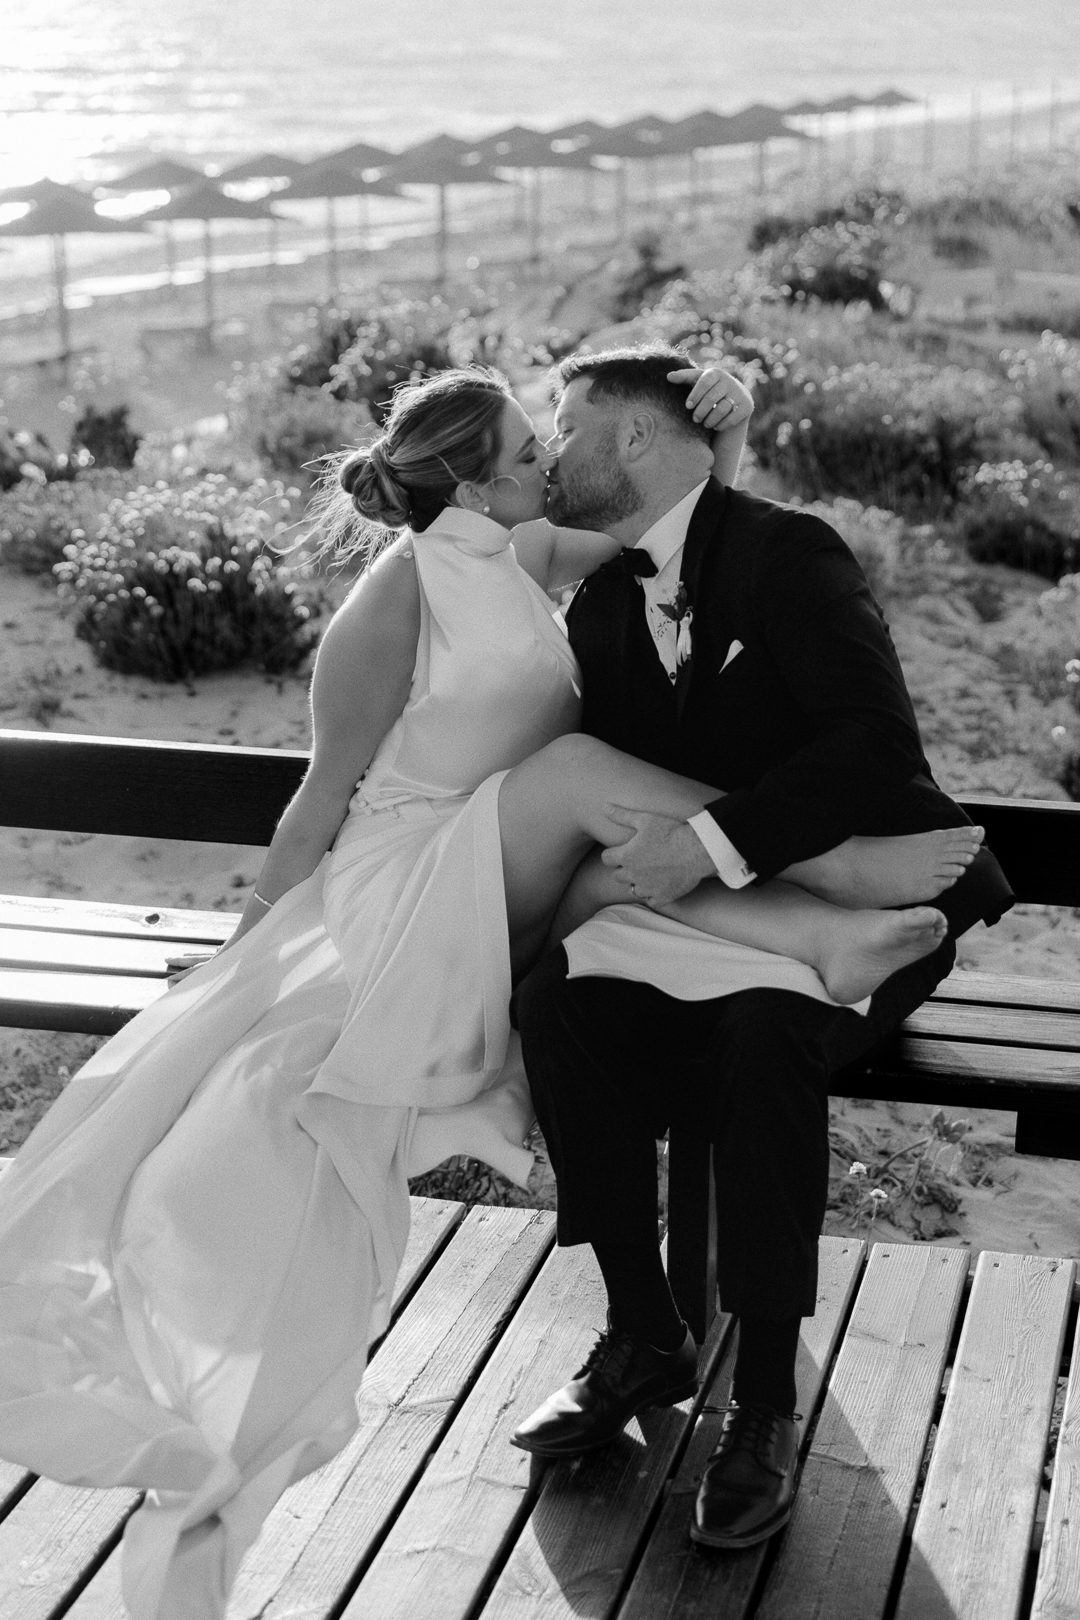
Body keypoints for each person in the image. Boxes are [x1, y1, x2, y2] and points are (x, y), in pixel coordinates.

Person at [0, 360, 986, 1619]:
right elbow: (320, 800)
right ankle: (813, 917)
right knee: (571, 866)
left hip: (532, 871)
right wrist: (251, 943)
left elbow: (680, 536)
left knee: (662, 947)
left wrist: (718, 447)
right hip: (415, 875)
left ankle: (737, 1379)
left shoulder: (526, 555)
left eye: (556, 433)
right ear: (472, 473)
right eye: (531, 441)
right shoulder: (394, 599)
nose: (546, 453)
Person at [509, 344, 1014, 1554]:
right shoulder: (602, 598)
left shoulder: (792, 553)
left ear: (631, 439)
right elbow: (639, 778)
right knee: (558, 1002)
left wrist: (718, 844)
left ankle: (768, 1408)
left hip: (891, 900)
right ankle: (643, 1330)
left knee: (765, 1036)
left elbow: (872, 746)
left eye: (565, 422)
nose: (552, 443)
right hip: (725, 910)